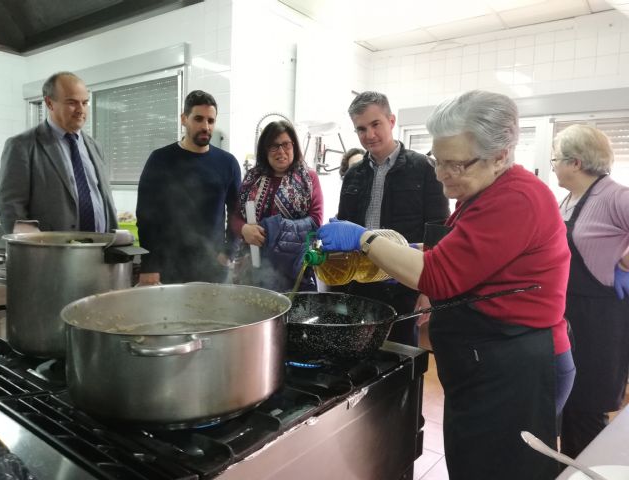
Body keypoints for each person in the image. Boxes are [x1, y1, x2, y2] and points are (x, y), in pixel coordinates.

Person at [316, 90, 575, 480]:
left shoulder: (516, 198)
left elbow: (438, 274)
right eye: (440, 161)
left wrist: (366, 239)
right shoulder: (483, 189)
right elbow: (452, 250)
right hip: (490, 358)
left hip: (516, 365)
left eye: (455, 165)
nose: (440, 175)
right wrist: (400, 250)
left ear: (501, 154)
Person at [335, 91, 449, 347]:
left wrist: (428, 291)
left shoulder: (425, 169)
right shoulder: (354, 174)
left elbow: (439, 233)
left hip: (405, 286)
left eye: (376, 124)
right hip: (360, 285)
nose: (369, 135)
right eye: (361, 129)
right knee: (358, 355)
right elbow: (345, 227)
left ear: (391, 121)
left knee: (400, 359)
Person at [551, 124, 629, 458]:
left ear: (576, 162)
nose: (552, 164)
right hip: (566, 312)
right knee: (565, 404)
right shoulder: (566, 199)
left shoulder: (615, 195)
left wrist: (625, 264)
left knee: (586, 410)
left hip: (600, 319)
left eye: (556, 159)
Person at [136, 90, 241, 285]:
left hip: (213, 267)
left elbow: (237, 212)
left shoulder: (228, 163)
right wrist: (150, 265)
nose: (205, 126)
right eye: (198, 119)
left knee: (214, 315)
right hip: (169, 267)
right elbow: (146, 217)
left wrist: (228, 252)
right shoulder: (160, 160)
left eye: (211, 121)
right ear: (184, 119)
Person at [0, 71, 117, 233]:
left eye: (85, 102)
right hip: (50, 254)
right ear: (49, 103)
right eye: (72, 102)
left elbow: (105, 199)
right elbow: (9, 205)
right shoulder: (22, 145)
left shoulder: (95, 146)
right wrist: (34, 247)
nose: (81, 109)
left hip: (100, 250)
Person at [231, 120, 323, 291]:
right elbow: (236, 217)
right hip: (253, 268)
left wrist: (274, 228)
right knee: (256, 313)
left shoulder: (308, 179)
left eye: (286, 144)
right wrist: (244, 229)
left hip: (294, 270)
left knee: (291, 314)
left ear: (294, 146)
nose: (281, 151)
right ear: (265, 150)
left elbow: (315, 221)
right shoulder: (252, 178)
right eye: (274, 146)